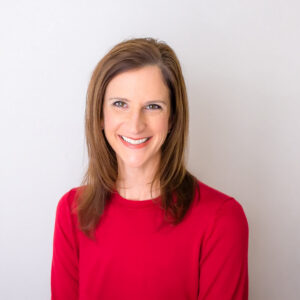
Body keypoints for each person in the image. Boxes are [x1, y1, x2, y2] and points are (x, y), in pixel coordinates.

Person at [51, 37, 249, 300]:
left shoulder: (221, 220)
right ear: (100, 115)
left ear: (172, 119)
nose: (135, 125)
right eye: (120, 104)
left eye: (153, 107)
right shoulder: (72, 211)